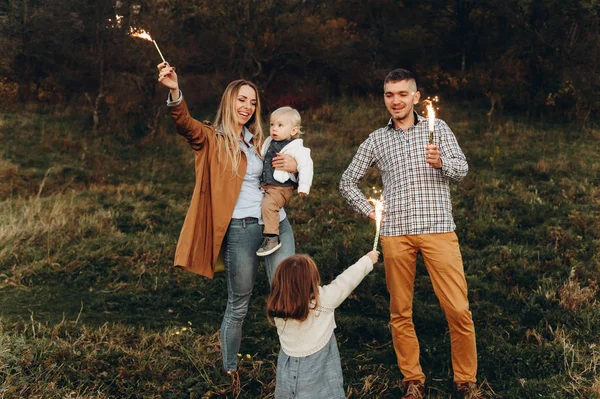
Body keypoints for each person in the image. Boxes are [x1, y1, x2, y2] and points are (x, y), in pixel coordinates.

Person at [339, 69, 480, 399]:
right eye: (390, 94)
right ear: (384, 97)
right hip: (396, 234)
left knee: (458, 309)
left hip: (438, 230)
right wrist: (371, 210)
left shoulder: (438, 129)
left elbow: (462, 171)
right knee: (400, 311)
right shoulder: (377, 139)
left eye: (402, 94)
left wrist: (441, 161)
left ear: (416, 97)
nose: (396, 101)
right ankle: (412, 381)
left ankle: (466, 382)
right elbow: (346, 181)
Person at [157, 62, 298, 377]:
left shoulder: (261, 142)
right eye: (241, 100)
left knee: (287, 294)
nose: (247, 107)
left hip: (277, 224)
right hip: (241, 229)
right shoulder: (210, 138)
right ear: (229, 101)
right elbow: (184, 124)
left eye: (252, 102)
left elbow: (285, 181)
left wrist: (292, 165)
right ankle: (230, 372)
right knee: (239, 303)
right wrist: (175, 92)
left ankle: (295, 365)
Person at [266, 250, 380, 399]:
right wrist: (367, 260)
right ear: (311, 281)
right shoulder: (324, 302)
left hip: (288, 375)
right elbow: (347, 280)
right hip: (319, 372)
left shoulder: (278, 309)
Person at [256, 106, 314, 256]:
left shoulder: (297, 149)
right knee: (266, 203)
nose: (274, 128)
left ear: (293, 131)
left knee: (269, 205)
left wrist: (304, 186)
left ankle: (272, 237)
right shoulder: (269, 142)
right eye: (272, 124)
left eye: (280, 125)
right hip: (268, 185)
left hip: (282, 188)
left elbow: (306, 166)